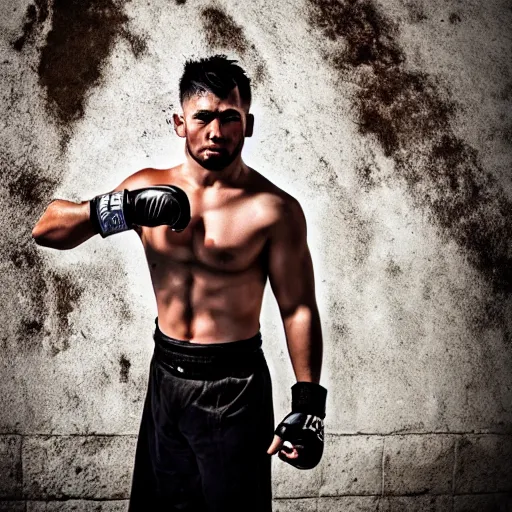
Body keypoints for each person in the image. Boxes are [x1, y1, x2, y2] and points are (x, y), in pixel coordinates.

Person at [32, 55, 327, 512]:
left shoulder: (274, 210)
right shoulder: (145, 187)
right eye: (203, 117)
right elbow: (47, 231)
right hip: (166, 378)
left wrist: (309, 405)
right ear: (179, 122)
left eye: (230, 118)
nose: (216, 131)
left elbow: (298, 308)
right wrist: (123, 208)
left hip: (236, 387)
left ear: (247, 124)